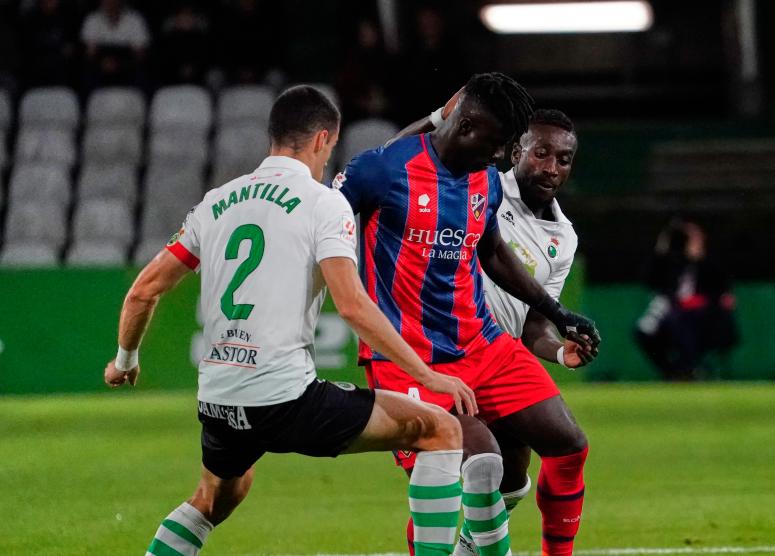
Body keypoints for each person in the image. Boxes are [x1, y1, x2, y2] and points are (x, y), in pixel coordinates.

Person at [103, 85, 478, 556]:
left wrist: (125, 359)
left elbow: (144, 290)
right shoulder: (324, 204)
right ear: (324, 139)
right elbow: (353, 306)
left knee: (218, 496)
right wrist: (425, 375)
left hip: (219, 400)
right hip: (284, 399)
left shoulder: (218, 201)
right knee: (439, 428)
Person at [336, 73, 600, 556]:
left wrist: (557, 312)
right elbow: (322, 219)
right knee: (479, 463)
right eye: (498, 145)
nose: (501, 158)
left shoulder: (482, 181)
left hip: (482, 344)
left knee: (569, 444)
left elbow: (494, 253)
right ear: (468, 126)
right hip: (407, 356)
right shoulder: (385, 170)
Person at [634, 219, 738, 381]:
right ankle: (672, 371)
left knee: (683, 322)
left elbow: (721, 291)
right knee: (645, 330)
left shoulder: (711, 262)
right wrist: (663, 246)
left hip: (703, 318)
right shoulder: (673, 262)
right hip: (671, 315)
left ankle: (689, 369)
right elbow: (650, 280)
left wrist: (698, 255)